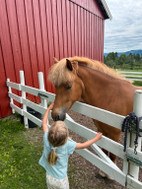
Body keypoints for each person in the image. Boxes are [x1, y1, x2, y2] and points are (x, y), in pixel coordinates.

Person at [39, 102, 102, 189]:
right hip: (61, 181)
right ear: (65, 137)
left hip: (49, 177)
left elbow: (44, 123)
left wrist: (48, 108)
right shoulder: (68, 145)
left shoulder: (47, 138)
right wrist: (96, 138)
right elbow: (83, 145)